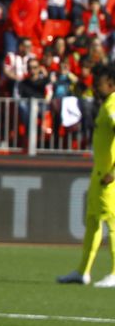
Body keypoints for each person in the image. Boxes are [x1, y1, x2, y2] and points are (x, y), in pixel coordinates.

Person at [57, 66, 115, 286]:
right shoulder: (106, 105)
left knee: (111, 223)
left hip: (109, 178)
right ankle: (83, 271)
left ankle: (114, 272)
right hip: (99, 174)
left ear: (110, 83)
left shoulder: (112, 106)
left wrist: (113, 172)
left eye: (99, 82)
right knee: (92, 222)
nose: (96, 86)